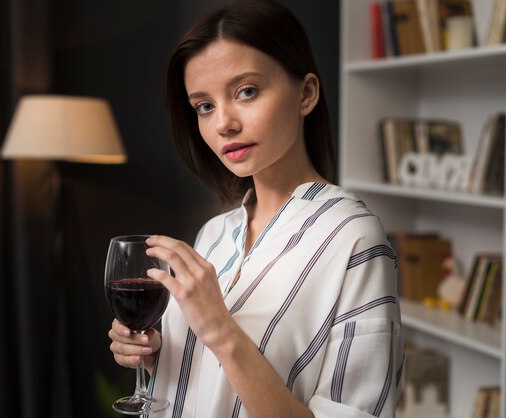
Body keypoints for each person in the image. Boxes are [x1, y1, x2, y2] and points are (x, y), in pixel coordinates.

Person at [108, 1, 403, 417]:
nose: (223, 123)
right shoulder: (214, 233)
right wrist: (159, 355)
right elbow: (204, 390)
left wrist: (219, 331)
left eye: (246, 91)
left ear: (306, 93)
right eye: (204, 106)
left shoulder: (354, 239)